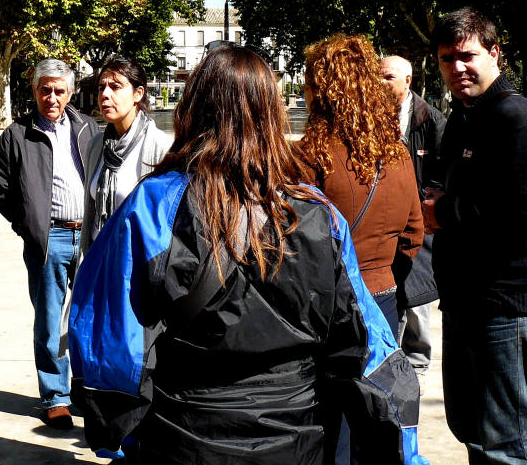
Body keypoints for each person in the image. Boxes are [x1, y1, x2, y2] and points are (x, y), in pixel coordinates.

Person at [69, 44, 426, 465]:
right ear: (272, 114)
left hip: (184, 434)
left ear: (194, 110)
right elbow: (367, 344)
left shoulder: (153, 204)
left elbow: (108, 336)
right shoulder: (316, 213)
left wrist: (118, 432)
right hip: (296, 437)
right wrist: (400, 448)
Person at [423, 8, 527, 465]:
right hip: (467, 302)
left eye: (467, 56)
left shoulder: (515, 118)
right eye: (446, 59)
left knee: (510, 445)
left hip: (508, 306)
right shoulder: (465, 116)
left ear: (494, 53)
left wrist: (445, 211)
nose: (457, 68)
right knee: (474, 431)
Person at [0, 58, 98, 429]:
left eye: (58, 90)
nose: (51, 97)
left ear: (70, 92)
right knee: (50, 319)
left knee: (87, 316)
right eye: (44, 89)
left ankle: (86, 388)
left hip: (88, 236)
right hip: (48, 239)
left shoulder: (88, 128)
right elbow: (3, 191)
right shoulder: (17, 133)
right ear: (35, 90)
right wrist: (29, 226)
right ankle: (56, 396)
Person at [296, 35, 423, 338]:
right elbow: (413, 233)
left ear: (320, 89)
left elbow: (293, 242)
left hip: (326, 307)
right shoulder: (397, 153)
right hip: (383, 300)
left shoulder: (308, 156)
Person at [380, 54, 447, 390]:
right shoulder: (372, 119)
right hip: (386, 219)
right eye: (378, 77)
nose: (381, 83)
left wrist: (430, 197)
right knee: (391, 292)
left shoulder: (431, 120)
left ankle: (418, 359)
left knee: (418, 292)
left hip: (420, 220)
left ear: (408, 80)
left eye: (388, 77)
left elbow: (443, 171)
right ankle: (391, 357)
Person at [82, 57, 172, 251]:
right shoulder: (97, 145)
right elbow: (90, 214)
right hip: (98, 261)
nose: (105, 94)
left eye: (115, 87)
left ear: (138, 94)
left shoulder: (160, 147)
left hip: (134, 267)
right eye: (101, 88)